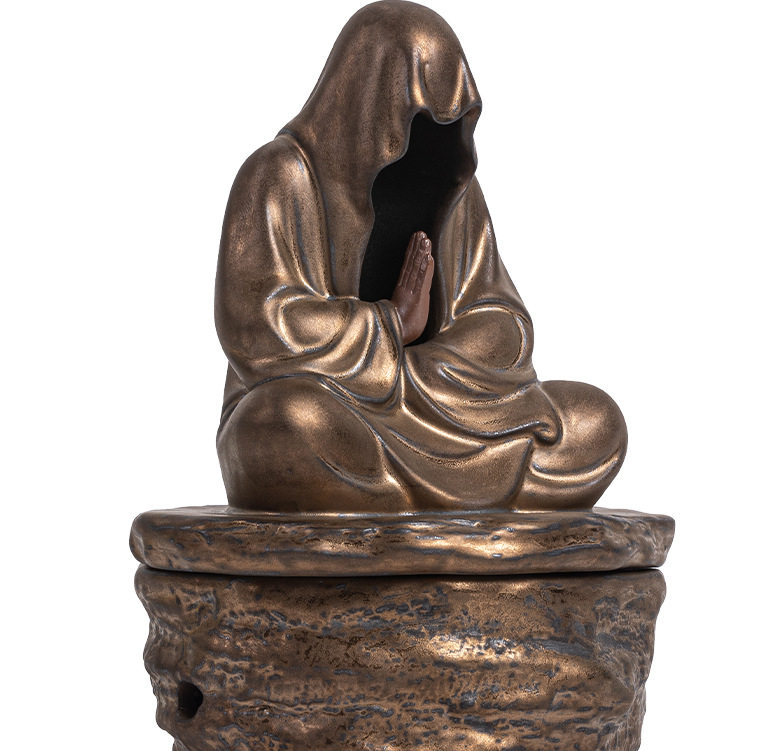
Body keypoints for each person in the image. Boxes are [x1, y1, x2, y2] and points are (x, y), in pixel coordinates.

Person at [215, 1, 626, 512]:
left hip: (438, 401)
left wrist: (422, 369)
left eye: (447, 123)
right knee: (283, 424)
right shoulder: (280, 176)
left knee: (595, 421)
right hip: (338, 408)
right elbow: (257, 326)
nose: (428, 139)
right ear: (366, 102)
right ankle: (426, 500)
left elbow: (503, 319)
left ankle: (392, 500)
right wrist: (392, 324)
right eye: (414, 119)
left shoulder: (449, 183)